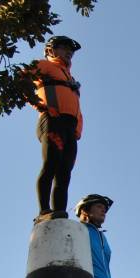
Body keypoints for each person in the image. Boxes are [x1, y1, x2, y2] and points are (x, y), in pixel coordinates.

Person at [32, 36, 84, 223]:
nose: (68, 52)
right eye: (63, 48)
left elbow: (77, 107)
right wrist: (40, 106)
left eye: (70, 50)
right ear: (50, 51)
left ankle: (59, 213)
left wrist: (78, 129)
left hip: (70, 127)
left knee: (65, 171)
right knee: (51, 164)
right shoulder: (44, 65)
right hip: (53, 120)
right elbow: (20, 82)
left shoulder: (71, 78)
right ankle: (44, 210)